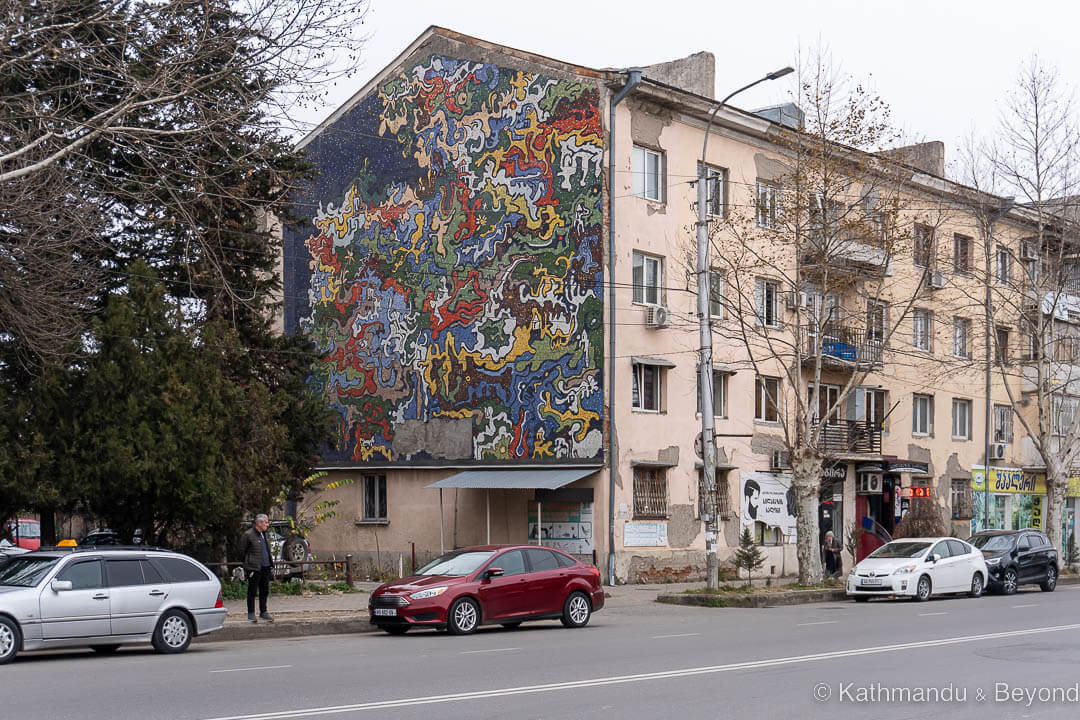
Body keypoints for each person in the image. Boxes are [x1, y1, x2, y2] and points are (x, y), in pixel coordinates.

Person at [239, 514, 275, 623]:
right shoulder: (248, 535)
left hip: (265, 567)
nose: (267, 525)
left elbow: (266, 550)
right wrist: (246, 564)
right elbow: (241, 551)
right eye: (266, 522)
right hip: (253, 568)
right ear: (259, 523)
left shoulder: (264, 534)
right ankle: (251, 613)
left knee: (264, 590)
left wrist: (270, 564)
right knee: (252, 591)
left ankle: (263, 612)